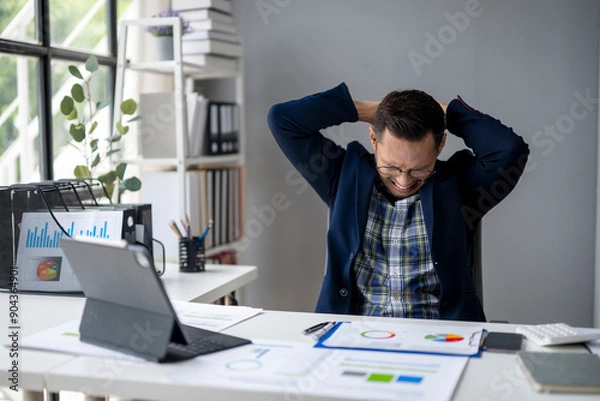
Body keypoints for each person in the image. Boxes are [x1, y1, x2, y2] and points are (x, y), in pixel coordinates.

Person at [268, 83, 529, 322]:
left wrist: (447, 116)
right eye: (391, 166)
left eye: (419, 169)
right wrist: (372, 111)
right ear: (373, 139)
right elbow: (283, 119)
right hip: (353, 335)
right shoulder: (343, 176)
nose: (404, 181)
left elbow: (509, 149)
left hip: (441, 338)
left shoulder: (459, 187)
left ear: (439, 147)